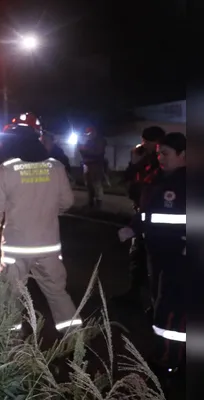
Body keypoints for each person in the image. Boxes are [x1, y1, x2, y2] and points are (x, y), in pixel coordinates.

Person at [0, 119, 80, 334]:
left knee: (10, 295)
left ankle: (11, 340)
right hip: (48, 245)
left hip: (16, 247)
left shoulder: (7, 170)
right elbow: (67, 202)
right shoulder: (56, 167)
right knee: (57, 292)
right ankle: (74, 337)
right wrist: (49, 211)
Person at [118, 132, 186, 386]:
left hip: (180, 258)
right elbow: (149, 212)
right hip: (160, 256)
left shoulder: (186, 183)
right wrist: (134, 228)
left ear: (184, 156)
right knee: (164, 306)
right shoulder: (160, 179)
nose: (160, 158)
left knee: (172, 312)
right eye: (159, 153)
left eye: (166, 153)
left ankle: (169, 361)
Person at [115, 126, 165, 304]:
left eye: (147, 142)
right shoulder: (146, 159)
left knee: (150, 258)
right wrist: (135, 161)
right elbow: (129, 176)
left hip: (153, 216)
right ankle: (136, 292)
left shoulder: (162, 161)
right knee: (138, 255)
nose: (144, 145)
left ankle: (152, 299)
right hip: (142, 211)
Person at [78, 126, 107, 209]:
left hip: (96, 165)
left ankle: (98, 204)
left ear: (94, 133)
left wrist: (84, 149)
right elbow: (84, 153)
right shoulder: (88, 141)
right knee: (89, 184)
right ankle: (90, 202)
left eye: (89, 133)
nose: (88, 135)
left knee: (97, 184)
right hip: (87, 164)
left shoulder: (100, 141)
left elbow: (97, 153)